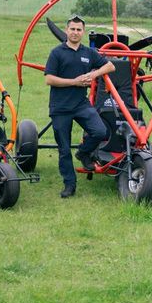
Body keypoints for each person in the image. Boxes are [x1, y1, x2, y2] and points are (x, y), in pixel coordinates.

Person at [44, 15, 115, 198]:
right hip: (60, 107)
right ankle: (70, 185)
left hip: (81, 104)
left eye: (78, 30)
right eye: (72, 29)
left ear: (83, 32)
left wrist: (93, 75)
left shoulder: (88, 53)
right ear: (67, 30)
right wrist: (74, 82)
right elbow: (49, 79)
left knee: (100, 132)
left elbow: (110, 66)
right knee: (64, 149)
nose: (75, 32)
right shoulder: (57, 52)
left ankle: (83, 153)